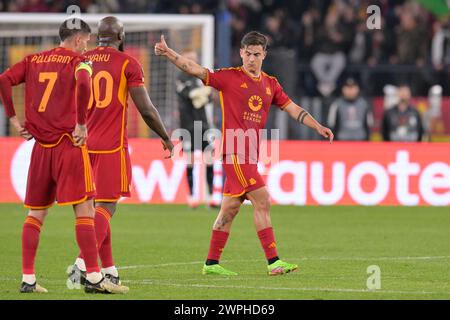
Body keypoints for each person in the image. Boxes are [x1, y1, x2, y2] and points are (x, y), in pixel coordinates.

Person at [155, 31, 334, 275]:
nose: (251, 59)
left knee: (229, 209)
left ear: (264, 55)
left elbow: (292, 108)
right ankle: (274, 262)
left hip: (251, 155)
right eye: (247, 54)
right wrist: (169, 53)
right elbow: (194, 69)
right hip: (234, 153)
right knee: (263, 200)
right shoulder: (228, 77)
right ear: (241, 53)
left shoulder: (270, 84)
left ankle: (211, 264)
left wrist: (318, 126)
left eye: (256, 54)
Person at [0, 19, 127, 294]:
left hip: (40, 149)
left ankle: (28, 279)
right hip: (68, 145)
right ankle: (93, 277)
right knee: (85, 209)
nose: (88, 46)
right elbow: (83, 83)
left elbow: (4, 80)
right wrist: (81, 123)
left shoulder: (33, 59)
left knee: (36, 214)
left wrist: (12, 118)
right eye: (87, 40)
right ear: (80, 39)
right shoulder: (78, 63)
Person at [67, 16, 174, 288]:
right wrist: (165, 136)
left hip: (80, 144)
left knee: (93, 209)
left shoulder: (82, 58)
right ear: (121, 37)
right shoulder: (128, 63)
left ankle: (109, 270)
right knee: (107, 206)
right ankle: (81, 264)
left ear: (98, 36)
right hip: (110, 146)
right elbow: (146, 109)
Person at [175, 48, 217, 208]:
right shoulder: (180, 78)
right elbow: (193, 97)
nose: (191, 62)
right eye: (188, 59)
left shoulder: (200, 78)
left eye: (194, 59)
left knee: (209, 159)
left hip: (203, 124)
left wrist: (203, 94)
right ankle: (192, 197)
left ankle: (211, 196)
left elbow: (208, 98)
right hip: (187, 126)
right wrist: (203, 94)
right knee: (190, 161)